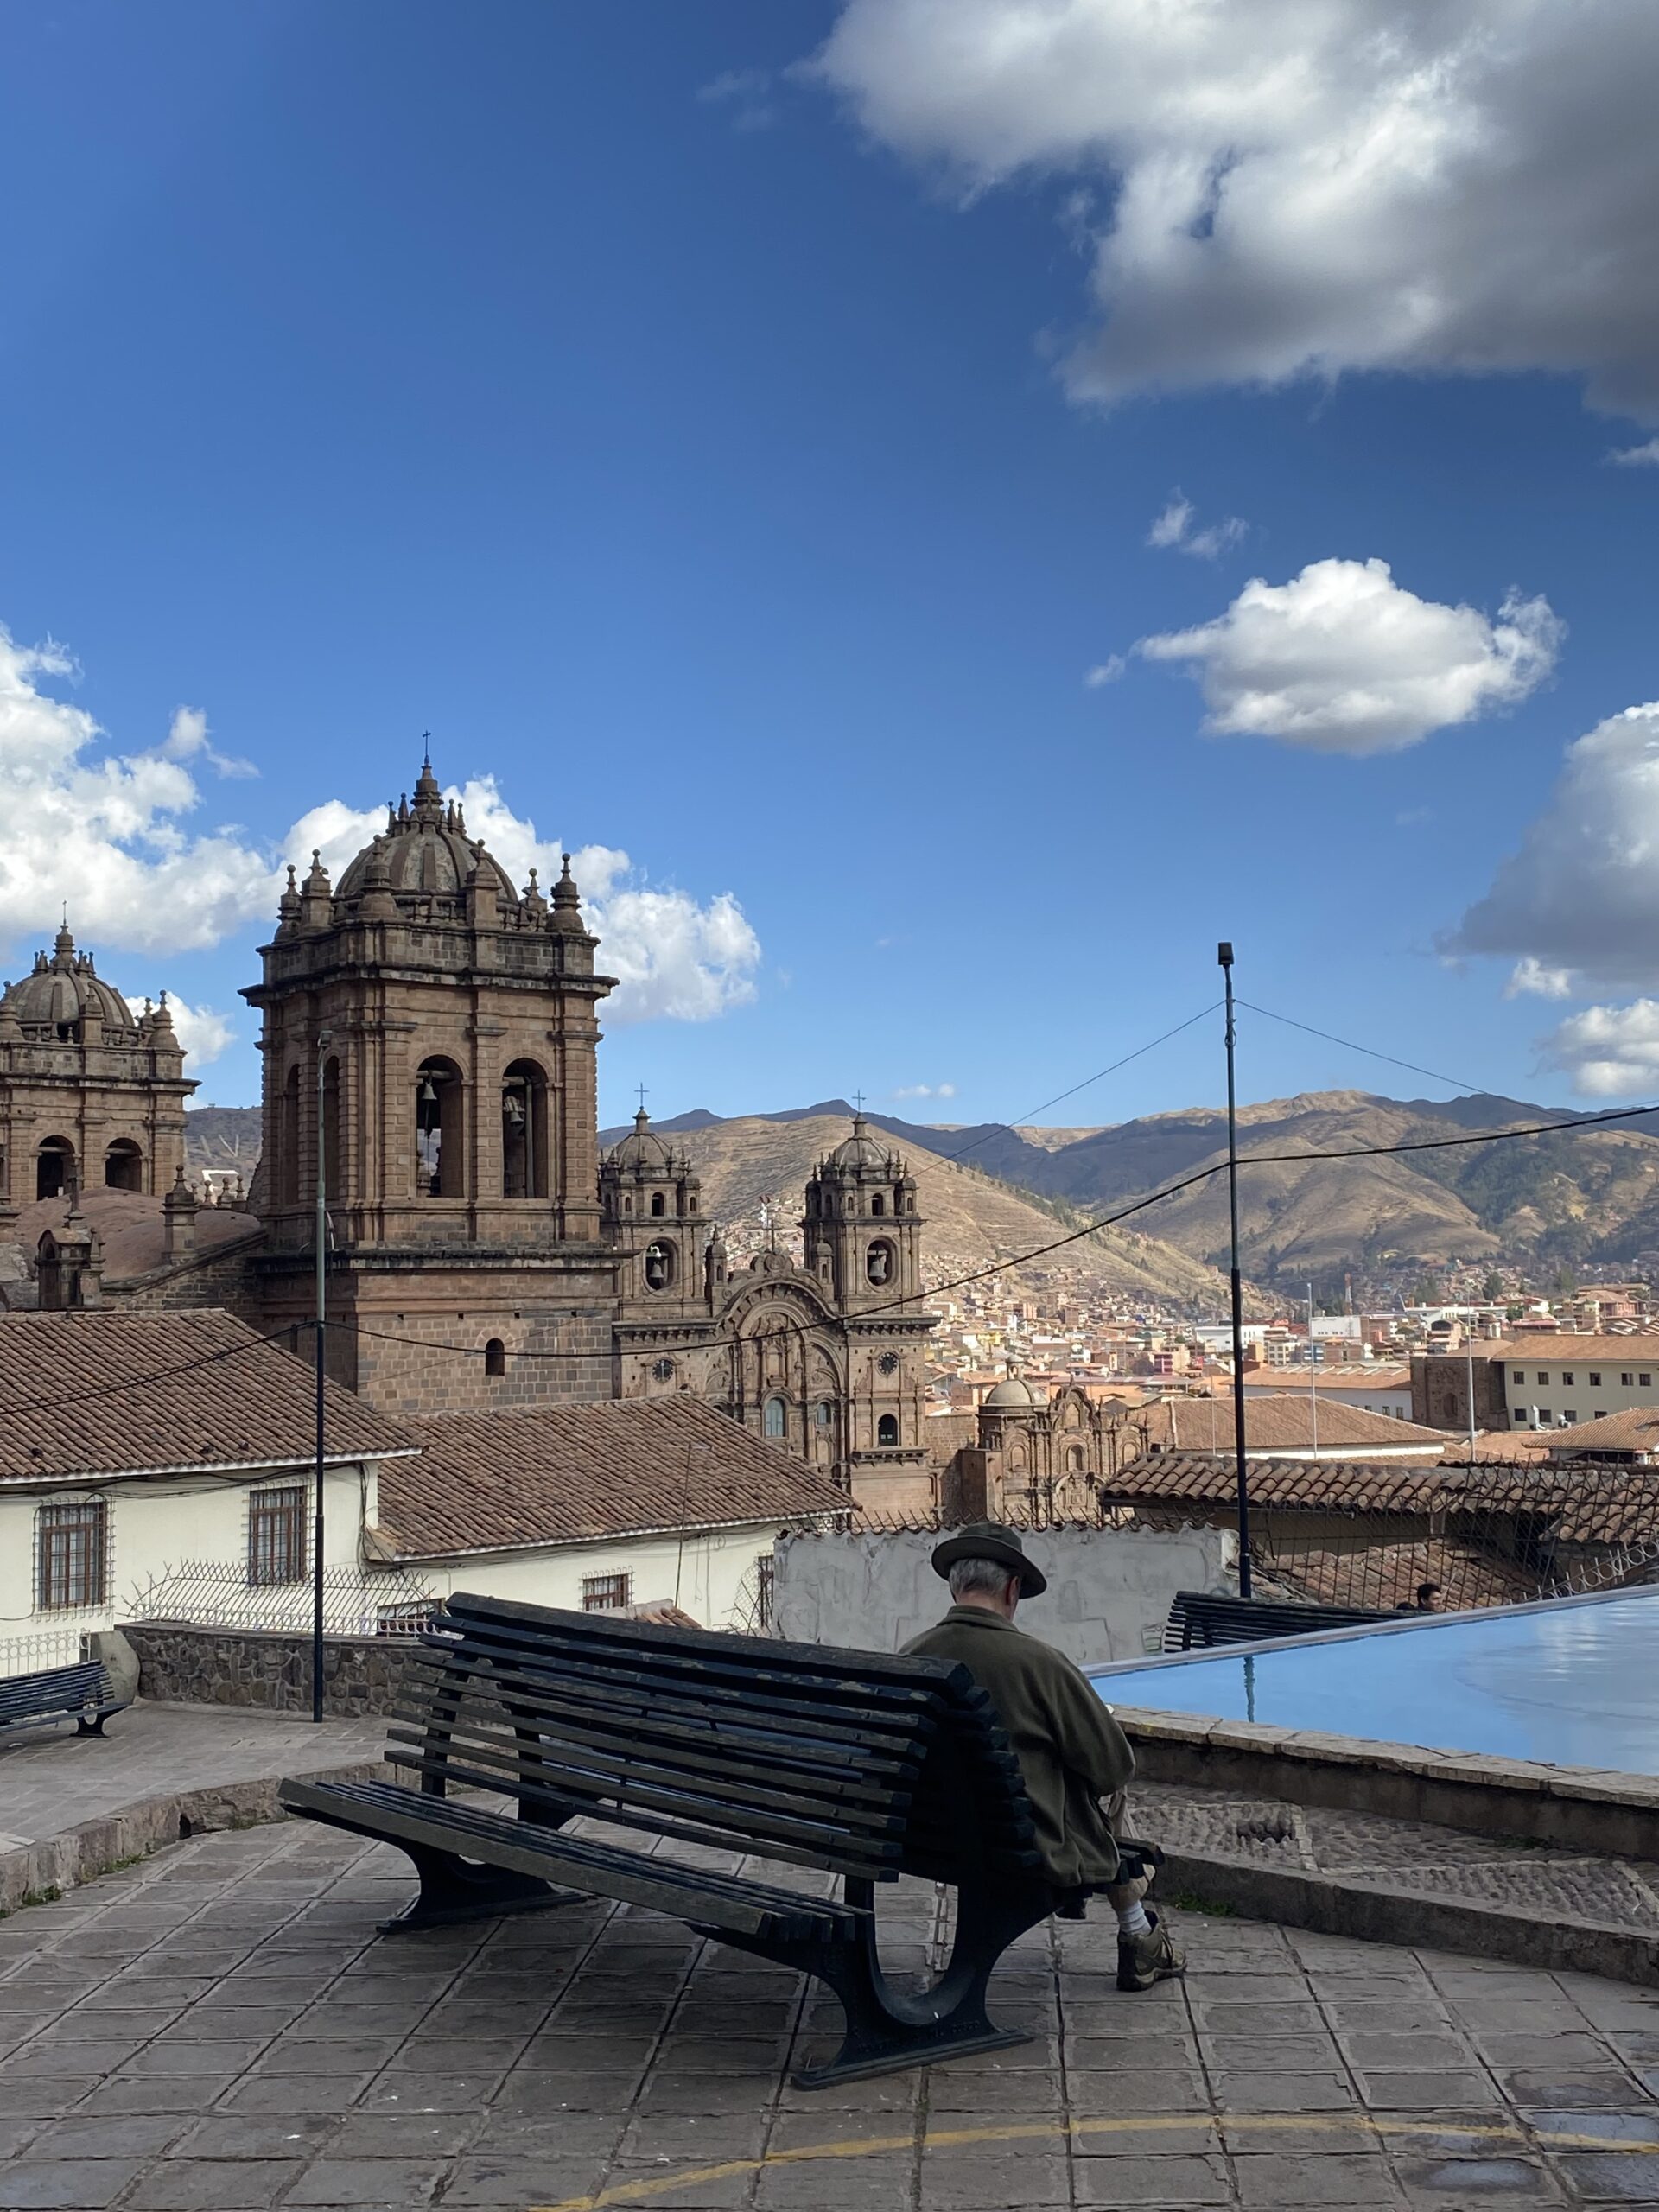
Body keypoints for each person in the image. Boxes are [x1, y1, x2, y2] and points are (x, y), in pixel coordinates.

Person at [903, 1520, 1184, 1993]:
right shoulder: (1039, 1663)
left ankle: (1140, 1930)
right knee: (1104, 1788)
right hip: (1026, 1844)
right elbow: (1114, 1766)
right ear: (1013, 1590)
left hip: (930, 1837)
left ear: (955, 1586)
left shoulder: (913, 1656)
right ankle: (1138, 1931)